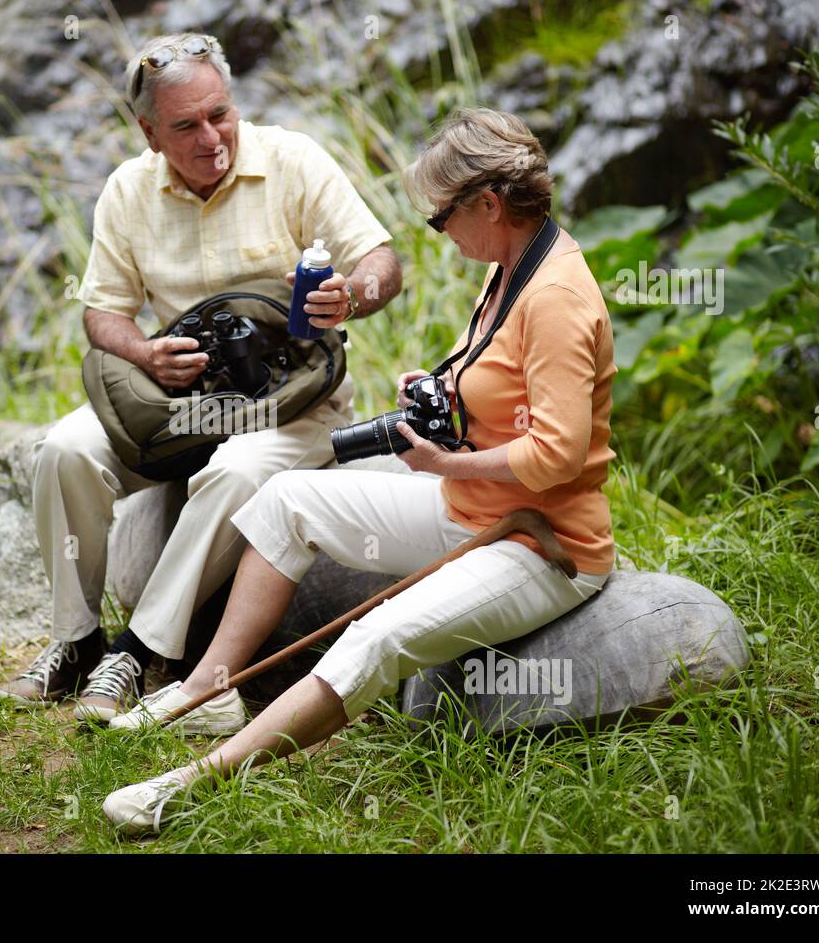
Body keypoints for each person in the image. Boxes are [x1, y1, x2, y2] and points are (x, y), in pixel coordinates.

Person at [102, 106, 619, 835]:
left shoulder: (556, 295)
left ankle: (187, 787)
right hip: (474, 508)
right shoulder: (510, 267)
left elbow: (559, 456)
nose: (440, 234)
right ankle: (211, 687)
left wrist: (441, 459)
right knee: (286, 499)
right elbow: (508, 393)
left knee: (375, 637)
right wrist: (446, 388)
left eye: (442, 218)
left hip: (542, 542)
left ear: (489, 204)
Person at [0, 33, 403, 723]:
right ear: (148, 132)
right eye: (186, 125)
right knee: (63, 451)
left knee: (237, 470)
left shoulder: (294, 160)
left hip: (296, 406)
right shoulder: (128, 190)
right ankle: (74, 642)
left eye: (221, 114)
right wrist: (145, 354)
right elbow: (102, 314)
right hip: (183, 401)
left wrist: (352, 295)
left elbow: (383, 261)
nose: (212, 137)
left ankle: (139, 649)